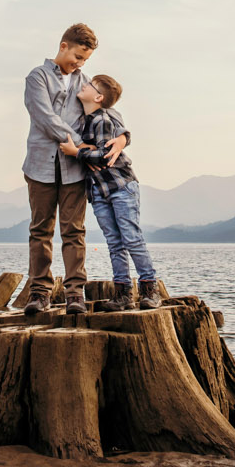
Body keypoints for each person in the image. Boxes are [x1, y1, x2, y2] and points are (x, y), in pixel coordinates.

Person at [21, 23, 126, 314]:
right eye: (77, 56)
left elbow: (108, 110)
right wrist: (83, 148)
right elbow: (44, 118)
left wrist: (123, 135)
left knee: (74, 232)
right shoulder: (37, 77)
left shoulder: (86, 82)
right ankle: (40, 293)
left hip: (74, 171)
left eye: (85, 60)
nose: (79, 63)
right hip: (40, 166)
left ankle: (75, 294)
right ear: (63, 46)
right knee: (40, 230)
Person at [73, 74, 162, 310]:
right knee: (114, 242)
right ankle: (123, 293)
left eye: (89, 85)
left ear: (99, 97)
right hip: (99, 191)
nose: (84, 85)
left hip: (120, 186)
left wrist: (76, 152)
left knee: (131, 238)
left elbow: (103, 156)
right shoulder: (85, 120)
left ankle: (149, 288)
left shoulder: (103, 120)